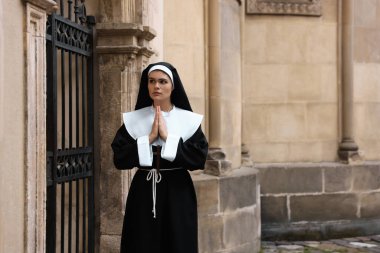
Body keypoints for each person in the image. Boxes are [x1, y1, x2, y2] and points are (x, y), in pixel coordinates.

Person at [111, 62, 208, 253]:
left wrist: (167, 138)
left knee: (178, 241)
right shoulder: (134, 120)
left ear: (173, 86)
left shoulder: (188, 120)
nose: (156, 86)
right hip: (143, 191)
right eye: (152, 81)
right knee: (141, 240)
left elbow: (198, 158)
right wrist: (147, 139)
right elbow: (120, 158)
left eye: (163, 81)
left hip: (178, 191)